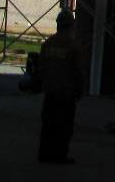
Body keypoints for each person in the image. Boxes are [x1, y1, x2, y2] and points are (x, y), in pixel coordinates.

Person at [37, 9, 86, 164]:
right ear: (71, 26)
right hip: (66, 93)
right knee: (64, 126)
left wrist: (43, 84)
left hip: (50, 92)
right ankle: (59, 155)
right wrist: (80, 89)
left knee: (48, 124)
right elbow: (78, 70)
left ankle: (44, 153)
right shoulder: (74, 46)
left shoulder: (48, 44)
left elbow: (41, 67)